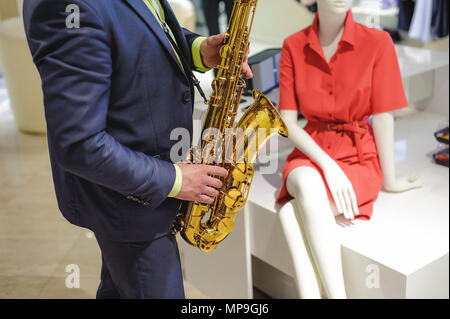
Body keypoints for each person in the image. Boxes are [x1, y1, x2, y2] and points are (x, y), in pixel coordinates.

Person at [23, 0, 251, 299]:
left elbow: (143, 27)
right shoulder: (67, 7)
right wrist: (175, 180)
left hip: (136, 196)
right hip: (127, 205)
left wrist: (197, 49)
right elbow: (79, 144)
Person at [276, 0, 422, 298]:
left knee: (291, 213)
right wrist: (328, 165)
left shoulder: (378, 42)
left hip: (359, 156)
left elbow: (383, 115)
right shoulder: (293, 45)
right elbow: (286, 122)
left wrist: (390, 181)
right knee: (304, 180)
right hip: (311, 152)